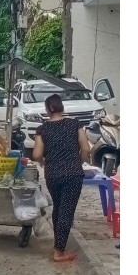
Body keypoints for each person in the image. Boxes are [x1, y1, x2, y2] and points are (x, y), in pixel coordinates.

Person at [32, 94, 91, 262]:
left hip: (53, 173)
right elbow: (86, 149)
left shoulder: (42, 129)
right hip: (72, 173)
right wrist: (79, 162)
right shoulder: (74, 124)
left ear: (47, 109)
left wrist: (43, 161)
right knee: (66, 211)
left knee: (59, 208)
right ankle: (59, 252)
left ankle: (58, 244)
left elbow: (36, 154)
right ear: (62, 107)